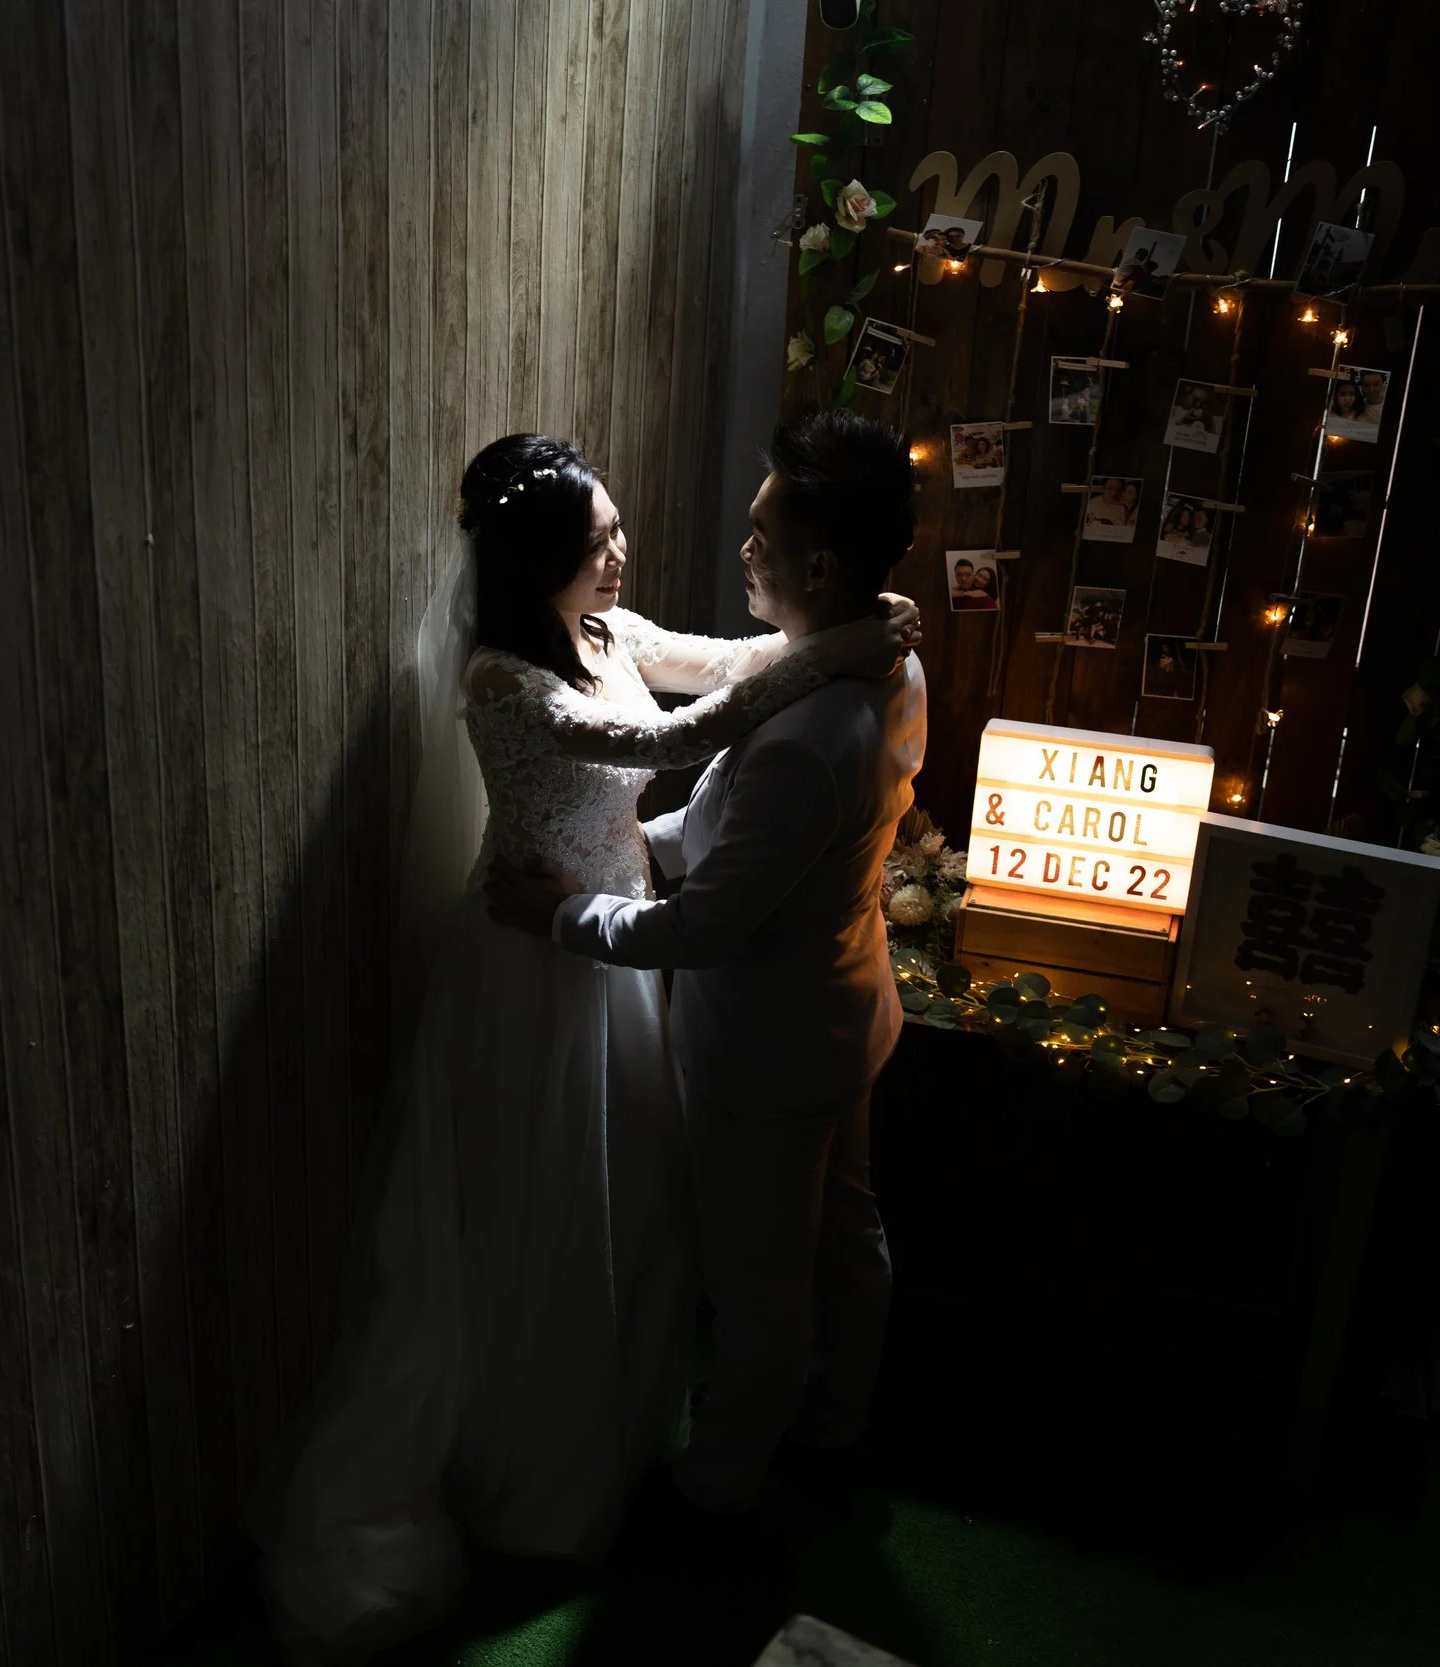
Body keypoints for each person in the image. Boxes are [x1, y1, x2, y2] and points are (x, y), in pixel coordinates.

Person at [251, 432, 921, 1659]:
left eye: (615, 529)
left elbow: (724, 662)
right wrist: (847, 639)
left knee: (639, 1193)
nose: (625, 549)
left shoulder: (611, 632)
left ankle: (678, 1426)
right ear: (538, 563)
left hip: (623, 945)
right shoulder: (503, 678)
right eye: (598, 538)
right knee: (547, 1201)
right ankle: (544, 1431)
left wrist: (837, 636)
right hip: (535, 961)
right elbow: (665, 743)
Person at [486, 409, 927, 1517]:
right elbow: (742, 836)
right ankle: (839, 1420)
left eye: (760, 531)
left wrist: (565, 913)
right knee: (848, 1231)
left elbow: (700, 927)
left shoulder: (804, 734)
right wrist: (646, 847)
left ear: (817, 564)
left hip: (769, 1048)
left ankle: (718, 1488)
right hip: (851, 1005)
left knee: (759, 1285)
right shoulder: (886, 662)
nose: (743, 548)